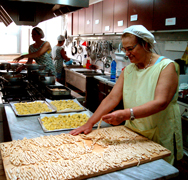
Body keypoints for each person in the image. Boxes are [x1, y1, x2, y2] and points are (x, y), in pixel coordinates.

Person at [70, 25, 183, 165]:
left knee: (157, 169)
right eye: (125, 49)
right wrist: (89, 123)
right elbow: (112, 98)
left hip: (159, 131)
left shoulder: (166, 67)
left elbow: (161, 102)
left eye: (131, 48)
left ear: (145, 44)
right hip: (133, 131)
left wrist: (125, 114)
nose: (127, 53)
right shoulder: (129, 69)